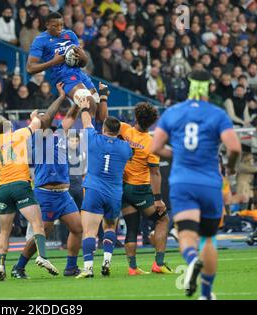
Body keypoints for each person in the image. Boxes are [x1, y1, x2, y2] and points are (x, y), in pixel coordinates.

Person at [151, 74, 241, 299]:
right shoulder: (217, 114)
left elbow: (155, 146)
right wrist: (230, 168)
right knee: (208, 238)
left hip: (183, 182)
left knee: (187, 233)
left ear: (189, 87)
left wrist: (177, 153)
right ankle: (207, 293)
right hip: (210, 182)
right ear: (208, 89)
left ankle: (192, 261)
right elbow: (235, 148)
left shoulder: (173, 112)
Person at [12, 83, 83, 279]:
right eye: (41, 119)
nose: (45, 119)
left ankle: (70, 267)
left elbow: (70, 117)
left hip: (64, 194)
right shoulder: (37, 138)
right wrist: (61, 97)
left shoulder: (60, 133)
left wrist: (77, 102)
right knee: (41, 234)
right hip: (46, 194)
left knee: (78, 228)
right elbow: (49, 117)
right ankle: (18, 267)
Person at [0, 113, 58, 281]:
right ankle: (42, 256)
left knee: (4, 231)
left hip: (3, 188)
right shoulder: (18, 134)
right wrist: (33, 115)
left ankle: (1, 265)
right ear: (10, 128)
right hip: (20, 185)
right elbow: (36, 123)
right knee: (37, 223)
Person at [75, 99, 132, 278]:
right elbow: (130, 153)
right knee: (109, 228)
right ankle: (107, 261)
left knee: (89, 231)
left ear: (104, 129)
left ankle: (88, 268)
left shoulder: (93, 139)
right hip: (114, 193)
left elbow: (86, 121)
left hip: (94, 190)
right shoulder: (125, 148)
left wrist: (84, 106)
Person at [119, 102, 171, 276]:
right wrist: (157, 198)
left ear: (135, 117)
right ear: (152, 123)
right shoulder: (151, 143)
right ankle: (159, 263)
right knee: (163, 220)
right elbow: (155, 173)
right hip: (140, 189)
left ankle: (132, 268)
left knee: (132, 227)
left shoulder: (124, 130)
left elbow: (103, 119)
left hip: (123, 187)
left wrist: (102, 98)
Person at [26, 12, 100, 118]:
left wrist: (84, 58)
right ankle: (88, 133)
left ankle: (95, 133)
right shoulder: (40, 41)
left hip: (79, 73)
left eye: (61, 25)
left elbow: (82, 63)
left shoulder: (70, 35)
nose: (59, 28)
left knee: (98, 107)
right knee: (88, 102)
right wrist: (53, 62)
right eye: (55, 26)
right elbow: (29, 68)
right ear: (47, 25)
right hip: (64, 77)